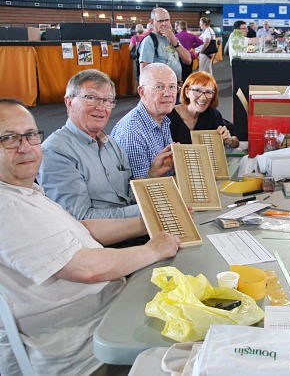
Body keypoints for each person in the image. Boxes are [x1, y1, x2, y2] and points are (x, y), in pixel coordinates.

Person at [0, 99, 180, 375]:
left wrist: (147, 224)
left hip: (108, 313)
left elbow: (80, 228)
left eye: (30, 135)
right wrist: (154, 249)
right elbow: (86, 269)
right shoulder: (7, 208)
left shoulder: (21, 190)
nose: (25, 147)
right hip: (90, 353)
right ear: (69, 103)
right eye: (8, 138)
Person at [38, 70, 141, 220]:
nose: (101, 107)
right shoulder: (55, 152)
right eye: (91, 98)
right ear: (69, 102)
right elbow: (81, 219)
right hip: (98, 241)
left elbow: (127, 195)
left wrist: (152, 177)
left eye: (107, 100)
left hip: (133, 230)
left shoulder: (111, 144)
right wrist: (148, 210)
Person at [111, 63, 176, 179]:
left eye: (172, 87)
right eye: (159, 87)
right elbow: (139, 190)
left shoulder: (163, 119)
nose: (168, 94)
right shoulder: (132, 133)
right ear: (142, 92)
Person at [169, 71, 239, 148]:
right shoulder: (168, 116)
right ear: (187, 92)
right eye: (197, 91)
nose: (203, 98)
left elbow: (236, 141)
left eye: (208, 92)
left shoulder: (212, 115)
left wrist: (228, 140)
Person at [138, 7, 191, 82]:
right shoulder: (149, 41)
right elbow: (145, 72)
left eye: (167, 20)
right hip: (161, 88)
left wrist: (175, 42)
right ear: (152, 21)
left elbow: (188, 60)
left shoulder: (172, 37)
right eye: (160, 21)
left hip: (175, 85)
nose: (164, 24)